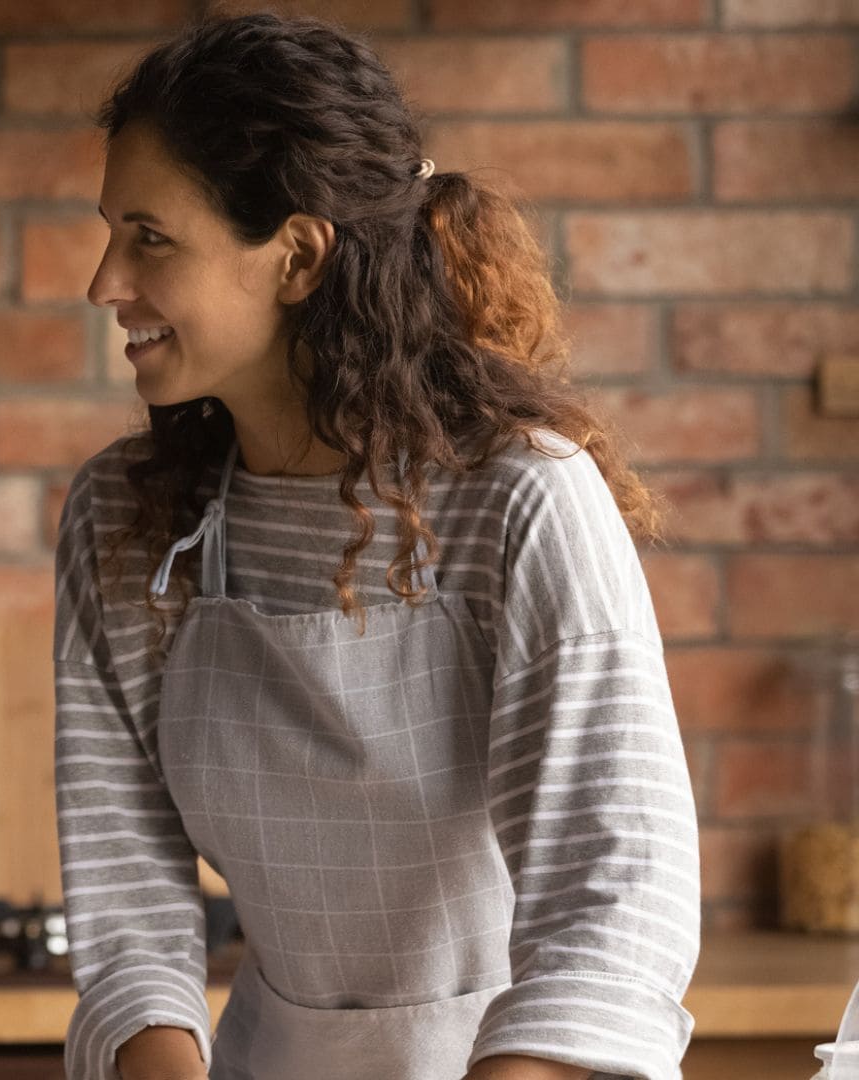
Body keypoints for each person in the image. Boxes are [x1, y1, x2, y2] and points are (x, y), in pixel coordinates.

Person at [54, 14, 698, 1080]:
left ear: (298, 256)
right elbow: (131, 910)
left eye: (150, 238)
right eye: (111, 232)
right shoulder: (125, 519)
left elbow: (617, 902)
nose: (104, 282)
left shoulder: (522, 505)